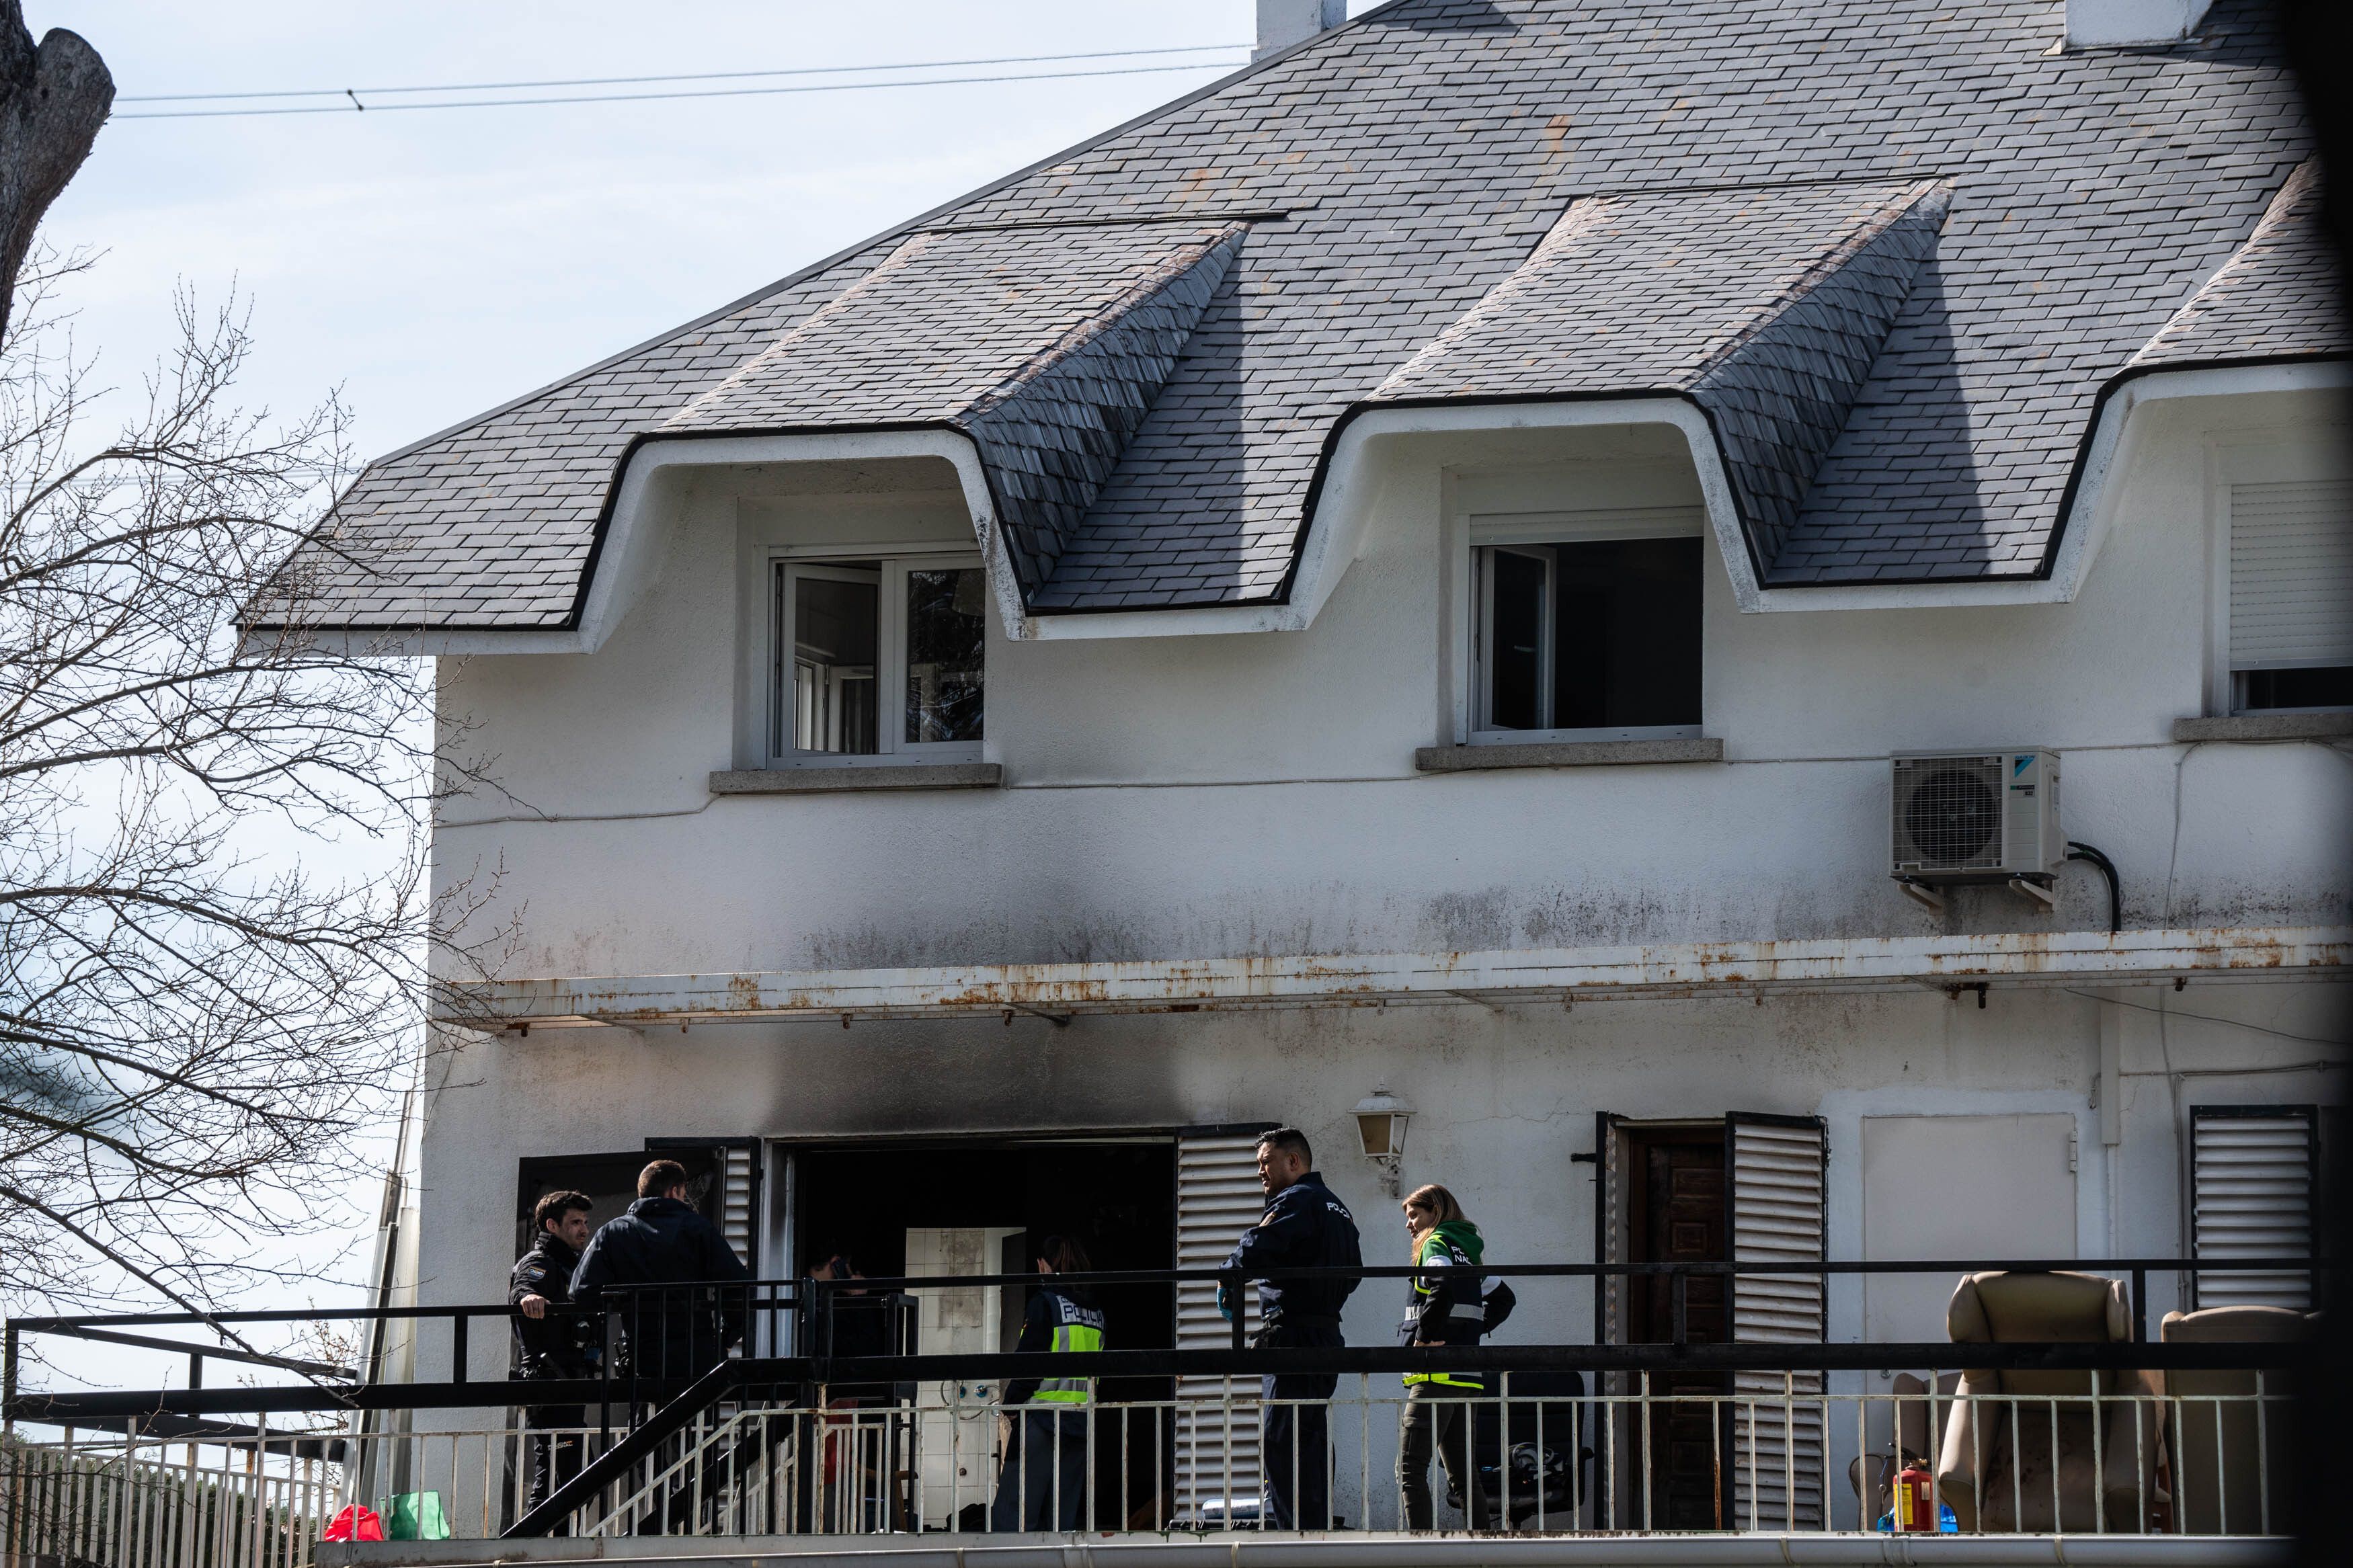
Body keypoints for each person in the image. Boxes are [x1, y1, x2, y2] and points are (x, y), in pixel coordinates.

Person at [1220, 1127, 1361, 1531]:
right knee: (1311, 1436)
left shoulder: (1298, 1200)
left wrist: (1227, 1276)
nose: (1261, 1172)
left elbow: (1258, 1245)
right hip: (1326, 1336)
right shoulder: (1339, 1208)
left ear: (1293, 1161)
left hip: (1292, 1336)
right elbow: (1354, 1274)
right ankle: (1314, 1532)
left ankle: (1294, 1537)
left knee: (1283, 1439)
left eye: (1266, 1162)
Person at [1394, 1183, 1513, 1532]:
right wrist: (1469, 1333)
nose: (1409, 1225)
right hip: (1467, 1375)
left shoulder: (1437, 1242)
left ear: (1436, 1211)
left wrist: (1423, 1337)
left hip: (1434, 1376)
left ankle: (1421, 1549)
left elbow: (1442, 1284)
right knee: (1464, 1476)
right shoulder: (1469, 1252)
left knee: (1411, 1469)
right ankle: (1482, 1546)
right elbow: (1505, 1299)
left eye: (1415, 1215)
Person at [570, 1159, 752, 1383]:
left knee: (646, 1414)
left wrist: (627, 1303)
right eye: (684, 1193)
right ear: (674, 1191)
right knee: (697, 1415)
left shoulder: (613, 1232)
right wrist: (727, 1336)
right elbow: (737, 1286)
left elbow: (582, 1292)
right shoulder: (698, 1228)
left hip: (642, 1351)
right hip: (696, 1350)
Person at [992, 1236, 1105, 1533]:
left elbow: (1030, 1361)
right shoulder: (1096, 1313)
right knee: (1062, 1520)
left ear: (1044, 1265)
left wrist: (1012, 1402)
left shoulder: (1046, 1304)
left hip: (1041, 1420)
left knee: (1014, 1517)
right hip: (1080, 1422)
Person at [511, 1190, 599, 1516]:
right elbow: (523, 1288)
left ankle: (544, 1541)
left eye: (585, 1222)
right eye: (575, 1222)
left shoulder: (572, 1265)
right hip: (550, 1383)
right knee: (558, 1476)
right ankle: (537, 1544)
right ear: (552, 1225)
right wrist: (528, 1298)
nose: (584, 1229)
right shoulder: (540, 1263)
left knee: (577, 1474)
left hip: (568, 1384)